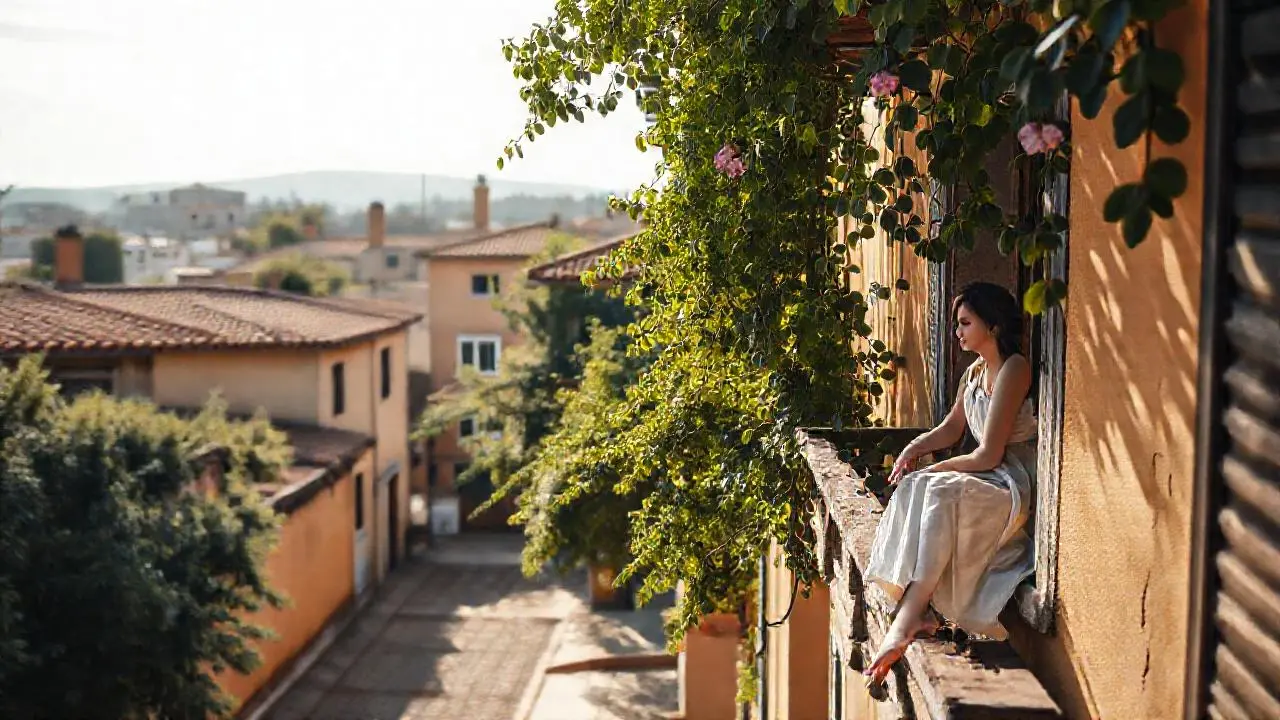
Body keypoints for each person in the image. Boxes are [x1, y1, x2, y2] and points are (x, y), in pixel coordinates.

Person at [862, 281, 1038, 688]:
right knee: (915, 486)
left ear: (993, 326)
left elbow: (988, 454)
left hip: (1011, 482)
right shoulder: (974, 372)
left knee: (936, 487)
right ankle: (918, 608)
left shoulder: (1014, 368)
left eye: (965, 323)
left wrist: (935, 470)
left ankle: (908, 619)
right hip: (987, 477)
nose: (957, 332)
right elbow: (952, 428)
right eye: (957, 324)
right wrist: (913, 450)